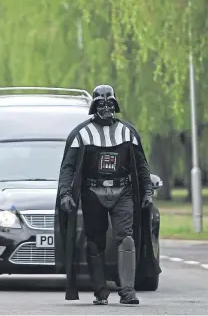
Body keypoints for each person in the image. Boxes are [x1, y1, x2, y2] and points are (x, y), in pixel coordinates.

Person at [54, 85, 161, 305]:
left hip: (123, 191)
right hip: (92, 191)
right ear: (94, 106)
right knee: (95, 241)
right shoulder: (81, 134)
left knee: (127, 238)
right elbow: (68, 167)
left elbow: (141, 166)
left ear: (115, 104)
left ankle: (128, 292)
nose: (106, 108)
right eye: (101, 104)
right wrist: (65, 193)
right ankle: (100, 290)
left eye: (110, 103)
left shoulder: (128, 132)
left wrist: (147, 191)